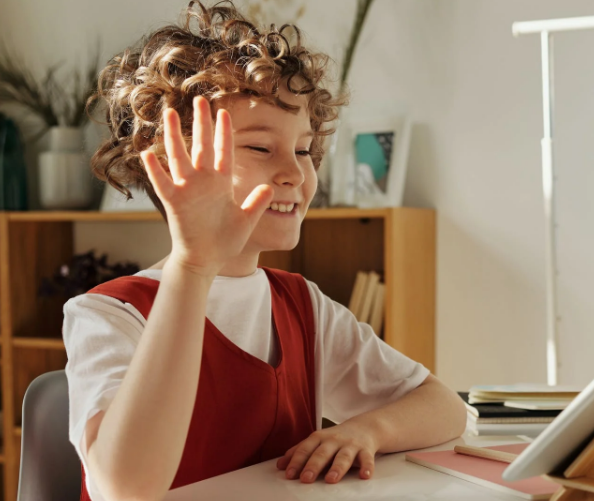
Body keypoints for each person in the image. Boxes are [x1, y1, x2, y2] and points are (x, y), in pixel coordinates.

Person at [63, 3, 466, 500]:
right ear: (173, 166)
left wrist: (367, 430)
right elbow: (129, 487)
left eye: (303, 150)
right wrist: (194, 265)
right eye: (260, 148)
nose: (296, 174)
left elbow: (445, 408)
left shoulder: (302, 305)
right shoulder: (107, 315)